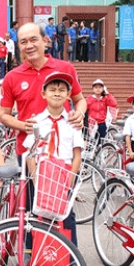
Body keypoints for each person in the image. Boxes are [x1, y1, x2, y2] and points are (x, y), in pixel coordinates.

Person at [0, 22, 86, 167]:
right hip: (29, 150)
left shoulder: (65, 68)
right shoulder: (12, 77)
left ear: (45, 40)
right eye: (23, 42)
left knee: (66, 189)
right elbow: (3, 115)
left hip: (64, 149)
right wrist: (23, 125)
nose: (29, 46)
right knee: (32, 190)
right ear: (19, 46)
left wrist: (80, 114)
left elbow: (80, 100)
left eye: (34, 40)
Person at [22, 71, 83, 246]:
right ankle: (32, 256)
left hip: (63, 176)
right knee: (35, 216)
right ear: (44, 94)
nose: (57, 93)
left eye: (62, 90)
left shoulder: (73, 122)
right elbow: (30, 154)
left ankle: (71, 260)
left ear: (68, 95)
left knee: (66, 217)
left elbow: (77, 156)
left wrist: (69, 182)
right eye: (53, 89)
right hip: (41, 177)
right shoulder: (37, 121)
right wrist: (36, 180)